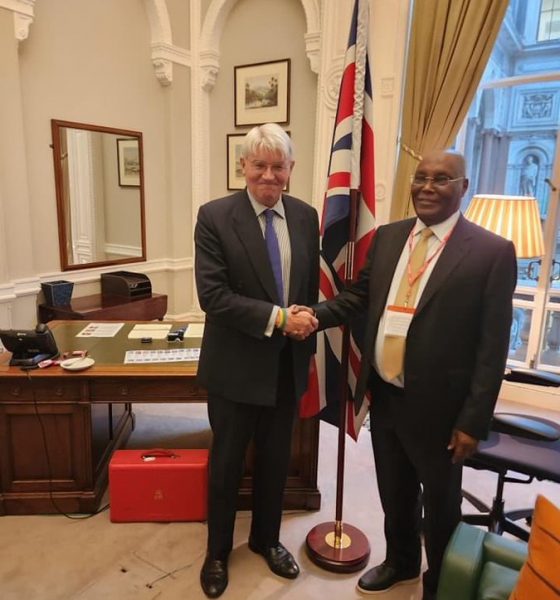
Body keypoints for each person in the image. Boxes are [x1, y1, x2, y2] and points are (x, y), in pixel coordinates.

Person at [297, 150, 517, 599]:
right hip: (387, 395)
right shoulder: (389, 237)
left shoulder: (492, 252)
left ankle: (440, 582)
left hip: (442, 410)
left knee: (441, 504)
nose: (427, 186)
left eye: (441, 179)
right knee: (394, 491)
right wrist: (313, 315)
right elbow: (358, 297)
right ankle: (401, 562)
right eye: (421, 177)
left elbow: (492, 349)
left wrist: (473, 421)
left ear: (463, 187)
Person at [194, 123, 319, 598]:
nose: (269, 175)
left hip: (286, 366)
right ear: (242, 166)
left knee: (275, 461)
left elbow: (306, 286)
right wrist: (281, 318)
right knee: (226, 465)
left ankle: (266, 539)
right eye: (259, 165)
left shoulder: (305, 216)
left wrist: (304, 324)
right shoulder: (214, 216)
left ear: (291, 168)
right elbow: (213, 297)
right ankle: (217, 552)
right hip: (234, 367)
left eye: (278, 166)